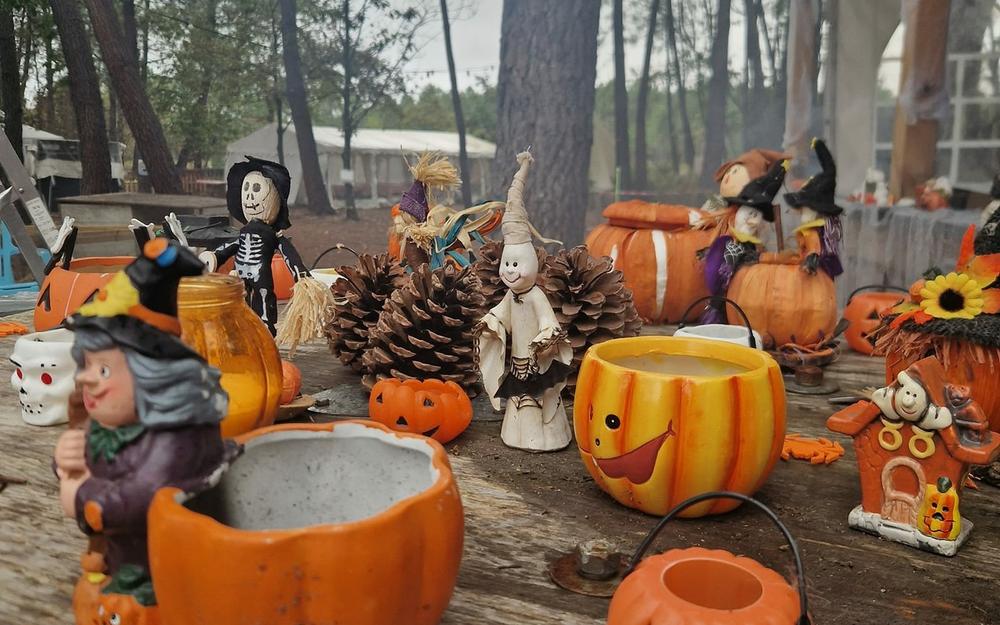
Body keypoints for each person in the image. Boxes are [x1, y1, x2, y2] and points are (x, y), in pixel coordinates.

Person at [53, 239, 239, 621]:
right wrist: (65, 462)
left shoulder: (181, 438)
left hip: (168, 570)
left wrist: (81, 494)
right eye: (85, 366)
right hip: (121, 556)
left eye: (102, 370)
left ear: (155, 379)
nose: (86, 379)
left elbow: (147, 494)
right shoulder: (114, 423)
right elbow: (91, 464)